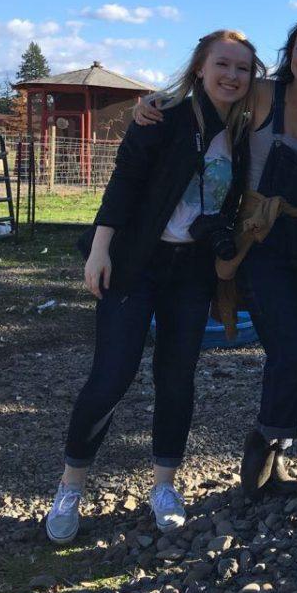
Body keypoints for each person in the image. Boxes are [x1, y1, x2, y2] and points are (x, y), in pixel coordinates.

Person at [45, 30, 260, 543]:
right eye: (222, 65)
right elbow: (124, 182)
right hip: (137, 262)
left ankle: (164, 484)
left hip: (191, 270)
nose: (232, 76)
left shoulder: (245, 133)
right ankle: (71, 485)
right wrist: (100, 250)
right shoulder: (162, 116)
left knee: (177, 376)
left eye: (243, 69)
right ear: (200, 68)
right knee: (111, 376)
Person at [131, 19, 297, 499]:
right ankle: (261, 442)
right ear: (289, 52)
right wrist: (151, 104)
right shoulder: (261, 93)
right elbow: (204, 96)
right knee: (293, 348)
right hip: (257, 240)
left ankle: (274, 453)